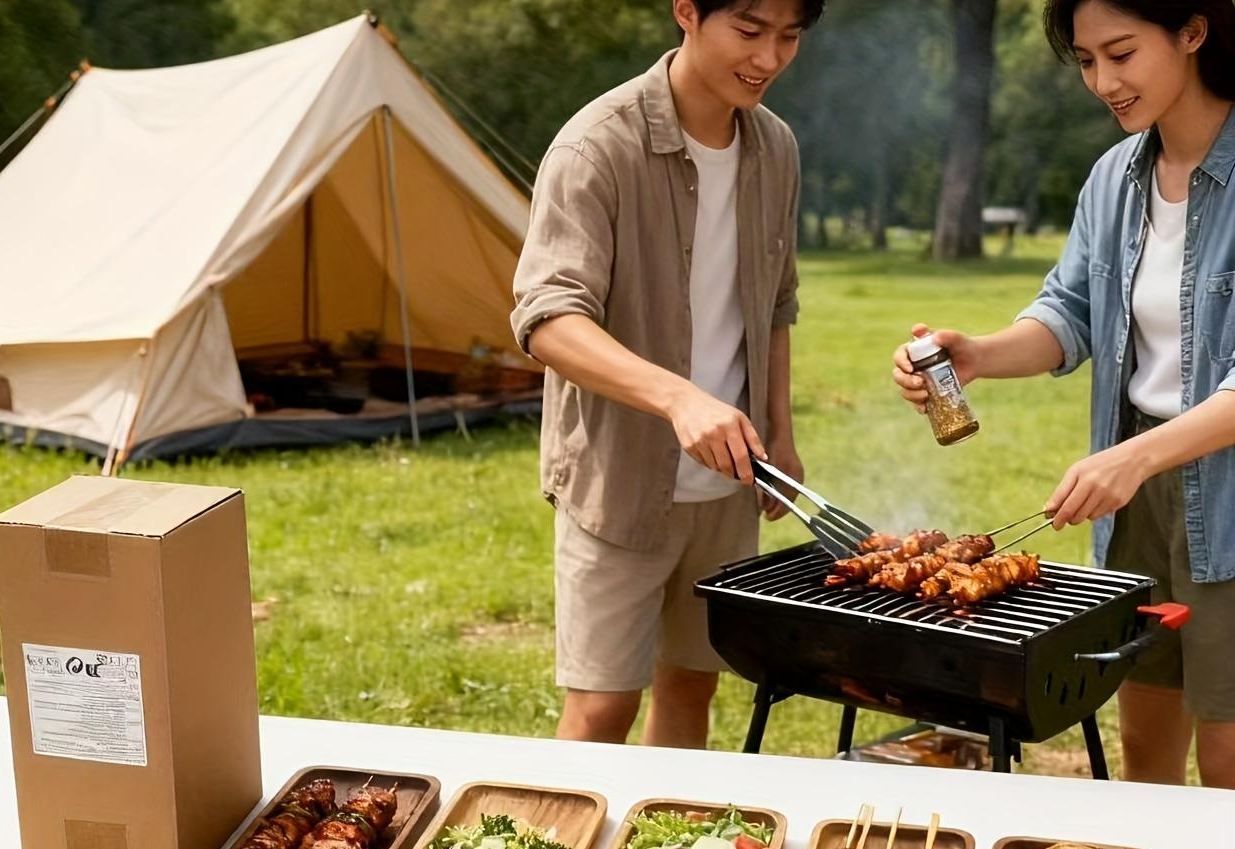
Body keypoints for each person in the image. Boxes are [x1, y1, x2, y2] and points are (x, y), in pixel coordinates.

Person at [890, 0, 1235, 788]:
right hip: (1140, 492)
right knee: (1145, 746)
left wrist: (1134, 458)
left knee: (1227, 760)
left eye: (1121, 52)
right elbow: (1069, 312)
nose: (1103, 81)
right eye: (1085, 61)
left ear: (1191, 31)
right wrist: (977, 353)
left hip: (1222, 491)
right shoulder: (1114, 179)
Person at [511, 0, 820, 749]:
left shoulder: (775, 146)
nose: (770, 58)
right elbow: (547, 317)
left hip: (730, 482)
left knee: (692, 687)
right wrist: (680, 400)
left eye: (789, 37)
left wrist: (777, 429)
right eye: (749, 31)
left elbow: (776, 303)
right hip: (620, 480)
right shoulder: (595, 147)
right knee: (601, 709)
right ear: (687, 11)